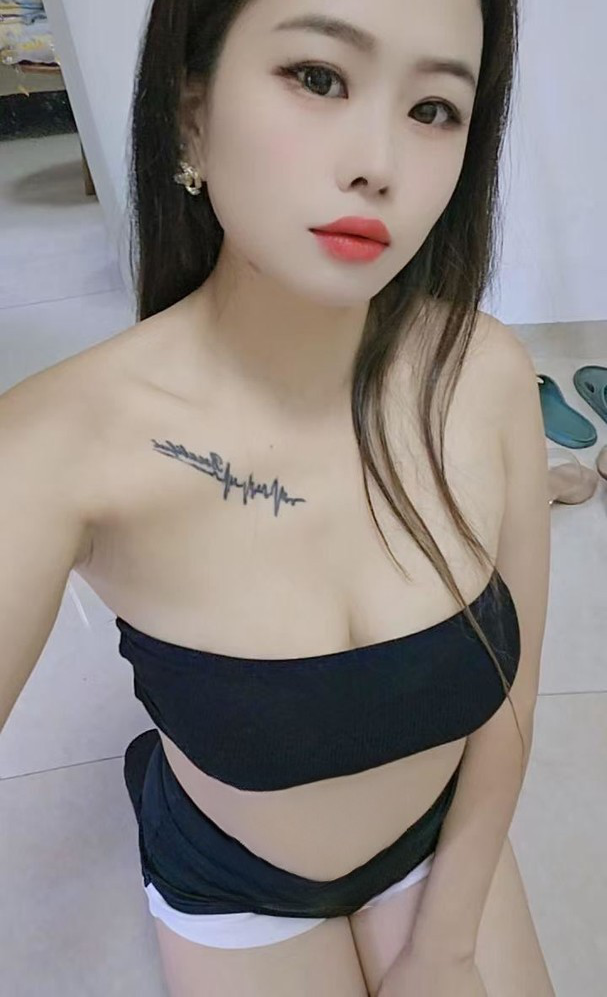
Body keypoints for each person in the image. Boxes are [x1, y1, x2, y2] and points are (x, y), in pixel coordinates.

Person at [0, 0, 556, 994]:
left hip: (434, 846)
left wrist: (447, 943)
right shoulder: (55, 445)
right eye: (318, 78)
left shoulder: (487, 374)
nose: (378, 163)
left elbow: (513, 694)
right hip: (232, 883)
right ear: (190, 115)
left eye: (432, 109)